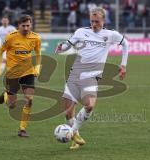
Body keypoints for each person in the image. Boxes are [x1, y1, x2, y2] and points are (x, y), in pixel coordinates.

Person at [55, 7, 129, 149]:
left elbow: (125, 44)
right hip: (76, 73)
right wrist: (61, 47)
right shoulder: (81, 32)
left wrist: (123, 65)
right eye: (92, 21)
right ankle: (75, 137)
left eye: (97, 21)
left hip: (92, 75)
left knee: (89, 105)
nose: (94, 24)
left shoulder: (110, 34)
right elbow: (68, 44)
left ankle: (72, 132)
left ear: (103, 20)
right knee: (68, 112)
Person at [0, 15, 42, 137]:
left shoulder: (35, 38)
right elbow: (0, 51)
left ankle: (22, 129)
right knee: (12, 105)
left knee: (29, 100)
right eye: (23, 26)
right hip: (13, 74)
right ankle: (5, 95)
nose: (26, 28)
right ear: (18, 26)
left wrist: (37, 68)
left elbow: (38, 53)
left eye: (28, 25)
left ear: (31, 25)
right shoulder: (10, 37)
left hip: (28, 73)